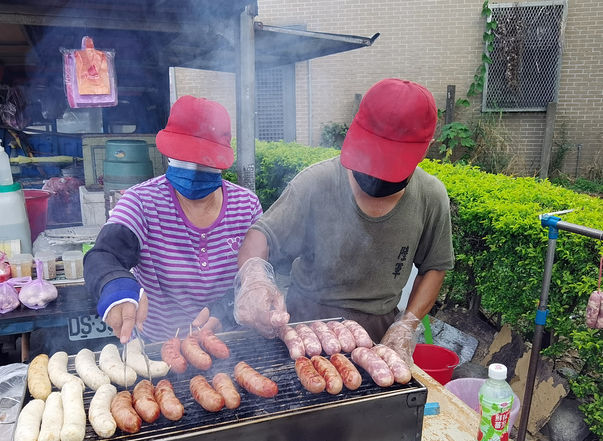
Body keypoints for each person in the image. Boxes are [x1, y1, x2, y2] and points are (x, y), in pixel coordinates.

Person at [234, 78, 454, 359]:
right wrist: (254, 279)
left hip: (379, 329)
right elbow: (260, 236)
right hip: (304, 324)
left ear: (426, 148)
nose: (377, 172)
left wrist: (406, 325)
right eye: (372, 155)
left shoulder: (430, 196)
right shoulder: (316, 182)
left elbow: (435, 267)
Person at [84, 95, 263, 344]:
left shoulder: (247, 205)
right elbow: (104, 254)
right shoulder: (141, 201)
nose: (192, 168)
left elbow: (255, 277)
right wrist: (116, 284)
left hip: (231, 343)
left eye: (204, 160)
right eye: (183, 157)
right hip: (159, 350)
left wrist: (225, 306)